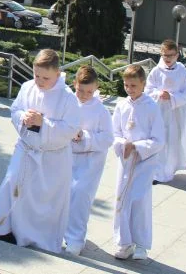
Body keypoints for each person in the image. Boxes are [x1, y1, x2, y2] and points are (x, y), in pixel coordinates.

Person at [0, 49, 80, 253]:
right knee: (12, 184)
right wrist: (23, 117)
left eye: (46, 77)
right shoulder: (28, 87)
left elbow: (72, 128)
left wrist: (43, 123)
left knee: (44, 199)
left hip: (52, 158)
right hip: (26, 149)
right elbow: (15, 110)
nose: (40, 81)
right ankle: (5, 229)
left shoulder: (67, 98)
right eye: (36, 75)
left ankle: (39, 238)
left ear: (57, 74)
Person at [111, 64, 165, 261]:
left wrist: (137, 146)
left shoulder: (151, 107)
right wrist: (122, 143)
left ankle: (141, 244)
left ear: (143, 84)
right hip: (125, 162)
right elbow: (114, 132)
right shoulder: (121, 105)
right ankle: (124, 242)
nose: (129, 89)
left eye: (133, 85)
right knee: (122, 200)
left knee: (139, 200)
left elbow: (159, 139)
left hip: (144, 162)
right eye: (126, 85)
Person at [64, 66, 114, 256]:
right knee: (63, 194)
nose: (84, 95)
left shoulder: (100, 110)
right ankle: (62, 232)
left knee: (80, 196)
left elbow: (108, 138)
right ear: (74, 84)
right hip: (66, 156)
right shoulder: (67, 103)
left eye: (89, 92)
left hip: (89, 162)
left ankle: (76, 238)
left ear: (96, 88)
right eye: (80, 90)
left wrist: (84, 136)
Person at [144, 39, 186, 183]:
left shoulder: (183, 72)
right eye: (165, 55)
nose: (168, 59)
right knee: (159, 139)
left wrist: (172, 97)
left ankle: (169, 169)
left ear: (177, 55)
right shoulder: (156, 71)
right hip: (159, 110)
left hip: (176, 112)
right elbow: (148, 89)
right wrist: (158, 94)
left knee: (172, 141)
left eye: (171, 55)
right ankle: (157, 171)